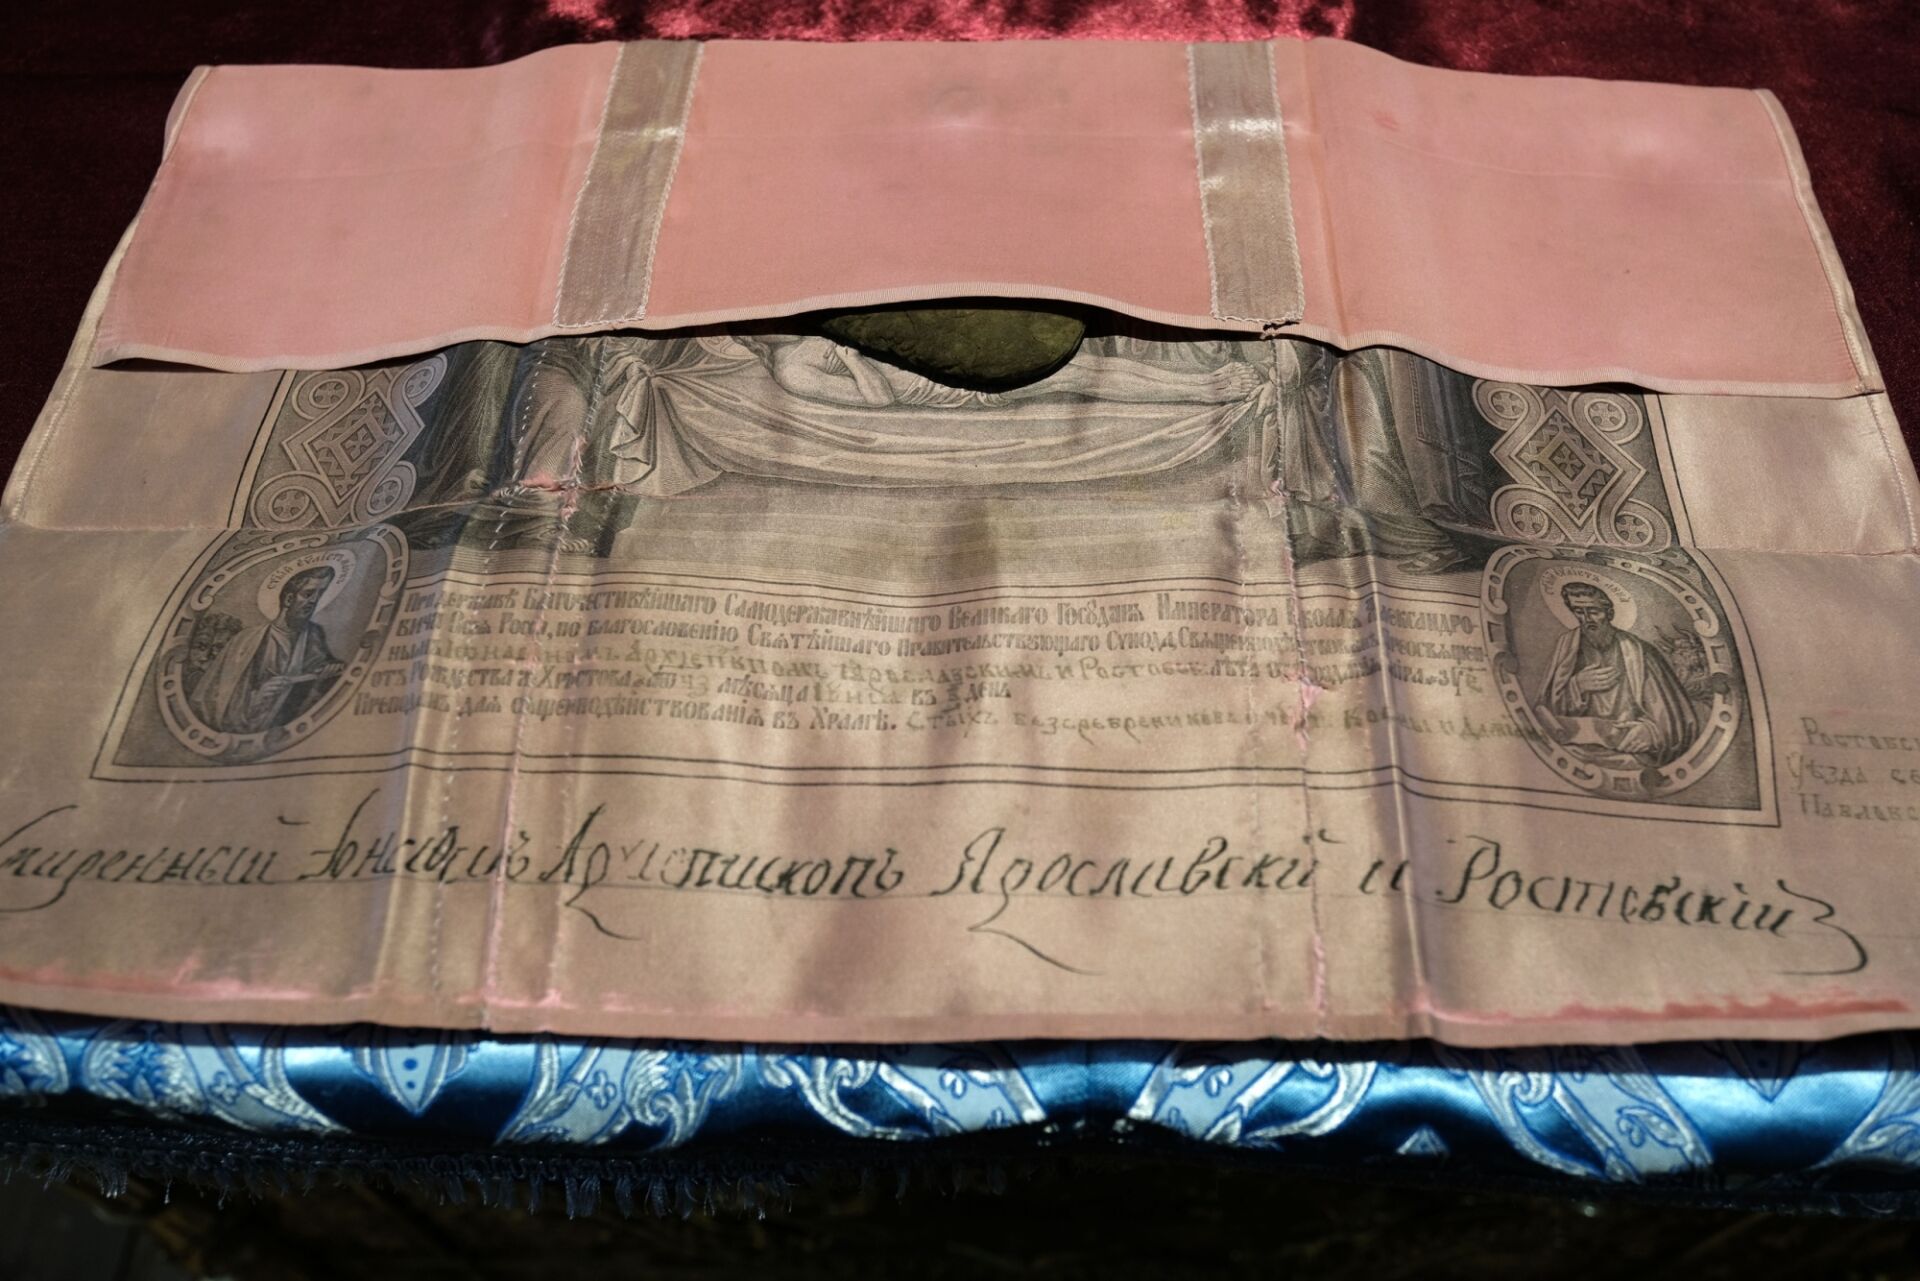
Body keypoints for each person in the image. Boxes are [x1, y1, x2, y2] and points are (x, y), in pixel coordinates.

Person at [1536, 580, 1698, 766]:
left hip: (1628, 746)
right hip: (1577, 746)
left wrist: (1651, 732)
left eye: (1594, 611)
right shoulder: (1566, 647)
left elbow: (1669, 716)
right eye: (1579, 611)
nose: (1587, 619)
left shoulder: (1638, 652)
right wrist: (1576, 687)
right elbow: (1546, 711)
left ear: (1609, 613)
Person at [188, 566, 345, 734]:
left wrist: (329, 671)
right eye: (308, 594)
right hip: (247, 726)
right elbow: (218, 700)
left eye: (320, 595)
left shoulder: (314, 635)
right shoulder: (246, 640)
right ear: (289, 599)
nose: (314, 600)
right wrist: (257, 698)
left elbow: (320, 671)